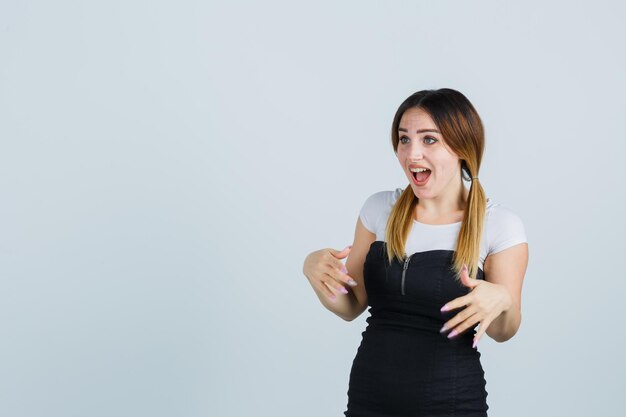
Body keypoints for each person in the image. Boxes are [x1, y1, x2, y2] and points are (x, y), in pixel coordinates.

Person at [302, 88, 529, 417]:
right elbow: (350, 305)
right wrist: (312, 269)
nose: (412, 153)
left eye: (429, 139)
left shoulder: (500, 225)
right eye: (404, 139)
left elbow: (503, 331)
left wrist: (503, 299)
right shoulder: (379, 209)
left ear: (462, 147)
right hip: (370, 398)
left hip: (451, 403)